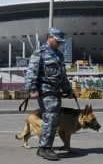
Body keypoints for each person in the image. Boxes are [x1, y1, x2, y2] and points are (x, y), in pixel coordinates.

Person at [25, 27, 73, 161]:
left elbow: (62, 76)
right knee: (50, 118)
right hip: (45, 91)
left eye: (61, 41)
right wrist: (32, 89)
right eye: (57, 40)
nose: (59, 43)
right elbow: (31, 72)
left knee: (54, 119)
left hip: (56, 92)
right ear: (49, 38)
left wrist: (68, 90)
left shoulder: (59, 55)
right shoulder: (39, 53)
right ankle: (44, 148)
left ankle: (45, 147)